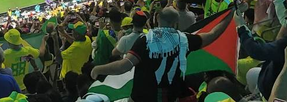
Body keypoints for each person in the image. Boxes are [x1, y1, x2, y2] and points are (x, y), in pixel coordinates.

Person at [91, 6, 231, 102]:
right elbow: (213, 34)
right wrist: (231, 14)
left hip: (141, 98)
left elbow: (124, 66)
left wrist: (98, 68)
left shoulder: (144, 41)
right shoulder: (185, 40)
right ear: (176, 24)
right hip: (169, 97)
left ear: (157, 20)